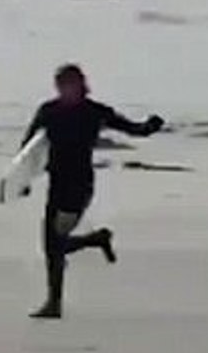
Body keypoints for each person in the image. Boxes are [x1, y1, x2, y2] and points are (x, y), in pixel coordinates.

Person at [21, 65, 164, 319]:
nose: (66, 90)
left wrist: (150, 126)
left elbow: (131, 129)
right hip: (56, 184)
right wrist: (22, 180)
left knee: (55, 243)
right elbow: (28, 149)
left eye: (70, 85)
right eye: (61, 85)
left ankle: (55, 303)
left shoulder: (94, 112)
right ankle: (94, 241)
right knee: (51, 246)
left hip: (80, 186)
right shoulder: (48, 112)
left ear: (81, 85)